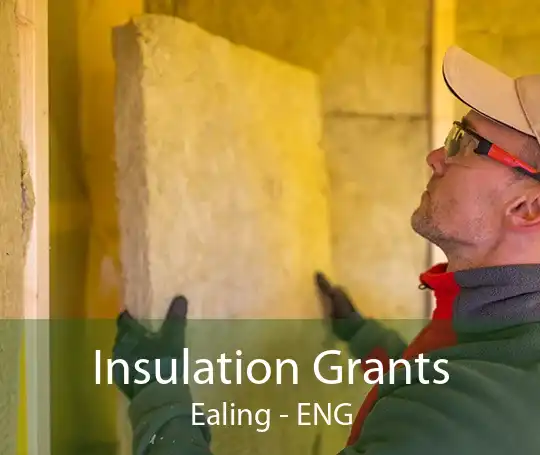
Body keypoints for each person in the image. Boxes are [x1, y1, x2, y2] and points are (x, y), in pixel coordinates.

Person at [111, 45, 540, 454]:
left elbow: (449, 411)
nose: (434, 156)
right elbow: (443, 381)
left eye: (464, 143)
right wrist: (359, 333)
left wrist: (158, 396)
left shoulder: (466, 416)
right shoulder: (499, 345)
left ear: (528, 208)